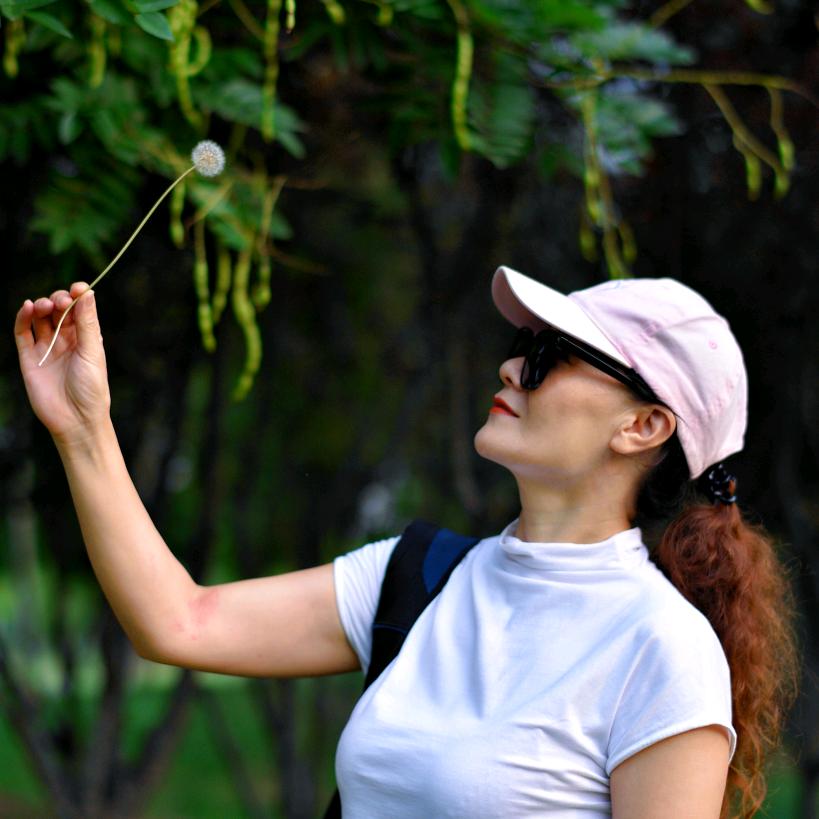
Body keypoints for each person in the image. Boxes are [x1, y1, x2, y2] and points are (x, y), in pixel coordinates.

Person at [14, 266, 797, 818]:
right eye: (523, 342)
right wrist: (84, 426)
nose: (510, 365)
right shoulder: (417, 575)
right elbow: (178, 619)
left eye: (551, 356)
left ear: (644, 425)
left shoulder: (661, 649)